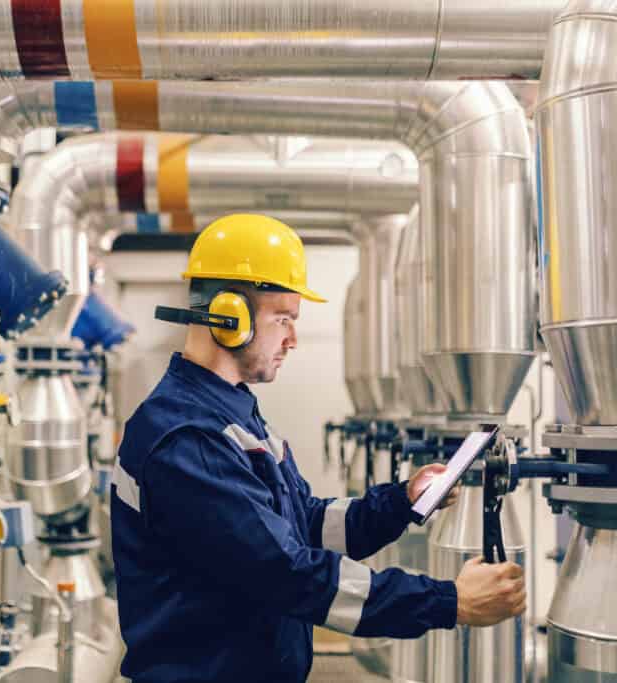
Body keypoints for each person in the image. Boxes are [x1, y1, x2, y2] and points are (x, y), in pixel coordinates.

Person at [111, 214, 526, 683]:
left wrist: (399, 503)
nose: (292, 339)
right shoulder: (187, 437)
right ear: (230, 317)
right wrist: (450, 601)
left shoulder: (229, 413)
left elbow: (304, 525)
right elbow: (285, 573)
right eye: (283, 318)